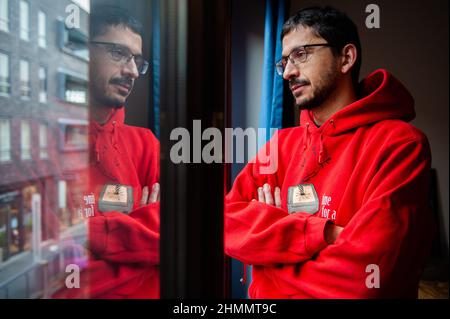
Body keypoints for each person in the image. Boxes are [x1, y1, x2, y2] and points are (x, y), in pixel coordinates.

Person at [225, 6, 434, 298]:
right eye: (283, 61)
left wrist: (267, 263)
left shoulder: (401, 144)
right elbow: (224, 222)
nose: (288, 72)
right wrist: (322, 234)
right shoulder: (280, 145)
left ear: (346, 58)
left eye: (301, 54)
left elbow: (366, 276)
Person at [53, 5, 160, 299]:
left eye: (137, 60)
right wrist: (138, 240)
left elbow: (176, 239)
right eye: (117, 53)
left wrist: (85, 233)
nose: (133, 71)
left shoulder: (146, 145)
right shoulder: (45, 143)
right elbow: (55, 273)